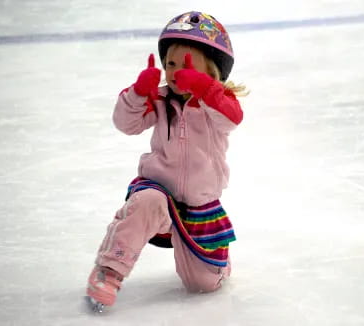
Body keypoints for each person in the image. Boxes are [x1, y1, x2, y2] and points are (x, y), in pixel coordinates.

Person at [86, 11, 246, 311]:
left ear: (211, 70)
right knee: (147, 201)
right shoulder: (160, 100)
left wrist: (203, 88)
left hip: (200, 205)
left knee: (202, 286)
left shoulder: (217, 103)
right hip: (158, 191)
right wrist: (137, 94)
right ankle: (108, 272)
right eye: (170, 63)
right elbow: (126, 124)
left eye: (186, 64)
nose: (174, 71)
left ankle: (215, 268)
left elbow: (232, 118)